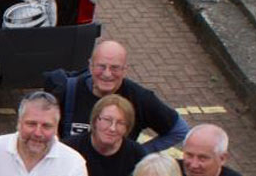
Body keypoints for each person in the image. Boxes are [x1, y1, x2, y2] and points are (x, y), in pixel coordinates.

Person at [45, 40, 190, 152]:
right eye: (101, 66)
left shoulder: (139, 98)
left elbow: (180, 130)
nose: (107, 74)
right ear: (90, 66)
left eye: (115, 68)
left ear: (125, 70)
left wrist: (140, 153)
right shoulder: (68, 90)